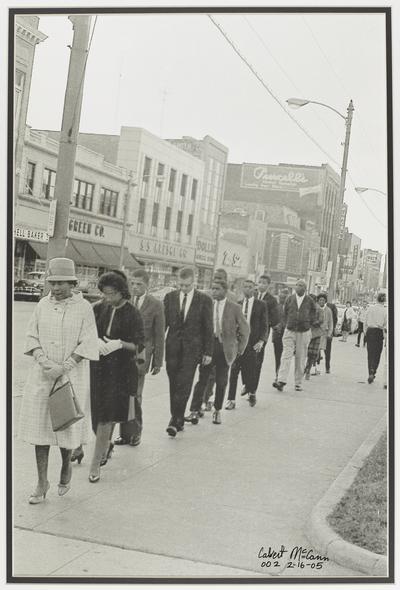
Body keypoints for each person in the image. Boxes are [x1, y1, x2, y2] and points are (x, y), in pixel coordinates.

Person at [18, 258, 99, 504]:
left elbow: (88, 341)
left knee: (66, 425)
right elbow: (31, 336)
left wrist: (65, 366)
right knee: (39, 431)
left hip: (71, 375)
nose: (56, 288)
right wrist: (44, 362)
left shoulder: (83, 307)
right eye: (52, 283)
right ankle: (42, 481)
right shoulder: (42, 304)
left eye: (62, 283)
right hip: (43, 375)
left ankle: (66, 465)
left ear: (72, 283)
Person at [88, 271, 144, 482]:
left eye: (111, 294)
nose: (107, 298)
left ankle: (95, 464)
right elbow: (88, 332)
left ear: (122, 292)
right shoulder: (99, 308)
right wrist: (96, 342)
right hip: (98, 368)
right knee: (95, 417)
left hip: (120, 372)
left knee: (106, 417)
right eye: (104, 294)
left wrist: (119, 344)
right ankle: (105, 445)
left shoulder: (133, 313)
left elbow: (138, 345)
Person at [115, 268, 165, 447]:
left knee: (135, 396)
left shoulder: (156, 304)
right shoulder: (123, 301)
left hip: (141, 356)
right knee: (122, 395)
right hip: (121, 355)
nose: (135, 287)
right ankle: (124, 434)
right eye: (133, 283)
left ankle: (136, 432)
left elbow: (159, 334)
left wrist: (158, 361)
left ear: (147, 285)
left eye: (139, 284)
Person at [189, 280, 249, 424]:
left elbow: (245, 330)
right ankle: (194, 410)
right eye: (212, 288)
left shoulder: (234, 308)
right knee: (202, 379)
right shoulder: (207, 305)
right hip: (209, 347)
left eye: (217, 289)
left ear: (225, 291)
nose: (213, 291)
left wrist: (239, 349)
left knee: (222, 380)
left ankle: (217, 410)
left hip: (225, 348)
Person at [164, 267, 213, 437]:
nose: (183, 288)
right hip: (172, 349)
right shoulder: (169, 298)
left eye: (187, 285)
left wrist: (208, 352)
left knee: (184, 384)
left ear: (194, 282)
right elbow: (164, 325)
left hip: (192, 350)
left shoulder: (204, 300)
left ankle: (175, 420)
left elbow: (208, 327)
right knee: (173, 384)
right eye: (181, 285)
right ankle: (176, 417)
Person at [225, 279, 268, 409]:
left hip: (252, 343)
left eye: (250, 287)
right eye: (245, 287)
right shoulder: (237, 304)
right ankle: (231, 399)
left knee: (250, 371)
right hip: (238, 343)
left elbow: (265, 325)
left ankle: (251, 392)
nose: (248, 289)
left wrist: (261, 341)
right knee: (233, 371)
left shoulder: (261, 305)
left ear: (254, 289)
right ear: (242, 289)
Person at [273, 279, 316, 392]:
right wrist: (286, 323)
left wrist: (308, 324)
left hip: (303, 331)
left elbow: (313, 313)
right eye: (297, 285)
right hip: (290, 330)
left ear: (305, 288)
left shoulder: (309, 300)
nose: (298, 287)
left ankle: (298, 382)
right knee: (286, 355)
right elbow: (285, 312)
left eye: (301, 285)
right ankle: (281, 380)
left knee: (300, 357)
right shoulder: (290, 299)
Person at [252, 274, 280, 393]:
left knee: (257, 359)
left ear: (268, 285)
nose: (261, 285)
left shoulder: (272, 300)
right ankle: (247, 383)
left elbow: (275, 318)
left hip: (262, 333)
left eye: (264, 283)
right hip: (249, 331)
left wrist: (267, 323)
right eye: (260, 282)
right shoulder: (252, 295)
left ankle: (253, 388)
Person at [365, 292, 387, 384]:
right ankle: (373, 371)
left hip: (370, 331)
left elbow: (365, 321)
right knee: (377, 353)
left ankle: (370, 371)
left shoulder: (370, 309)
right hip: (379, 332)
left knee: (370, 353)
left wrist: (365, 333)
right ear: (384, 300)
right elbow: (386, 325)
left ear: (376, 299)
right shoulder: (385, 311)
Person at [304, 295, 324, 380]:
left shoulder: (319, 309)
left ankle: (308, 369)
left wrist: (312, 322)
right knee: (309, 353)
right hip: (308, 332)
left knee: (312, 353)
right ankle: (307, 369)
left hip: (315, 333)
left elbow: (321, 320)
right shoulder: (307, 308)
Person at [272, 290, 289, 384]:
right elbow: (271, 319)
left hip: (287, 335)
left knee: (285, 357)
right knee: (277, 357)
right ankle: (277, 375)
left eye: (284, 298)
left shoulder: (290, 308)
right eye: (280, 297)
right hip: (277, 336)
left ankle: (281, 377)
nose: (281, 299)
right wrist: (275, 325)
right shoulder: (275, 308)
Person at [317, 293, 334, 367]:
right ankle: (315, 367)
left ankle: (327, 366)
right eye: (320, 300)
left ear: (325, 301)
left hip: (326, 334)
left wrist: (329, 334)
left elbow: (331, 323)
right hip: (317, 333)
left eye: (323, 300)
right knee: (315, 351)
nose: (321, 301)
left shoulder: (328, 310)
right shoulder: (316, 309)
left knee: (327, 352)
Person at [325, 299, 338, 374]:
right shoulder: (332, 306)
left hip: (328, 332)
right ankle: (327, 367)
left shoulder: (331, 307)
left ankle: (327, 367)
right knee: (327, 351)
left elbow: (335, 319)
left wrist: (332, 330)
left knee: (327, 350)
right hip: (324, 331)